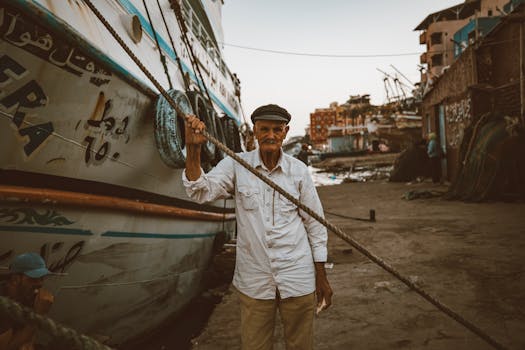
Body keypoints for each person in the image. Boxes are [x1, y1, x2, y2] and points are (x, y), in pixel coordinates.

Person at [183, 104, 332, 350]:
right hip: (254, 281)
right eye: (264, 129)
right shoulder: (235, 164)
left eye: (277, 129)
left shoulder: (299, 172)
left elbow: (315, 225)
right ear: (254, 131)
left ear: (285, 132)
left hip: (297, 277)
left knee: (301, 345)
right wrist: (193, 148)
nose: (270, 135)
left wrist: (322, 277)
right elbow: (200, 190)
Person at [0, 253, 54, 350]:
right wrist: (39, 315)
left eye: (42, 278)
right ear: (15, 279)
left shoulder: (29, 296)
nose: (40, 284)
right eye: (33, 279)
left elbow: (27, 335)